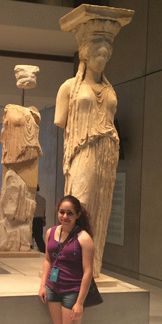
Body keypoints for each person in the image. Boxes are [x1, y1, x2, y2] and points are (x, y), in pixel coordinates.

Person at [54, 35, 118, 278]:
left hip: (107, 150)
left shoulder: (110, 90)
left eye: (106, 55)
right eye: (97, 54)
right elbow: (61, 119)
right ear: (85, 56)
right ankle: (71, 262)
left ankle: (92, 265)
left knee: (101, 207)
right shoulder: (69, 87)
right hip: (83, 148)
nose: (102, 59)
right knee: (81, 202)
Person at [38, 195, 95, 324]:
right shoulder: (50, 233)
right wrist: (43, 285)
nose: (65, 216)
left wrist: (80, 302)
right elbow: (47, 260)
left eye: (70, 213)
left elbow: (88, 272)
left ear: (78, 214)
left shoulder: (84, 239)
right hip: (53, 289)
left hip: (73, 291)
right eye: (62, 212)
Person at [32, 185, 46, 252]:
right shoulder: (43, 199)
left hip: (32, 220)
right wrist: (44, 220)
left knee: (29, 238)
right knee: (39, 238)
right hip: (40, 220)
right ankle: (44, 252)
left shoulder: (31, 199)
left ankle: (31, 252)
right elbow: (44, 211)